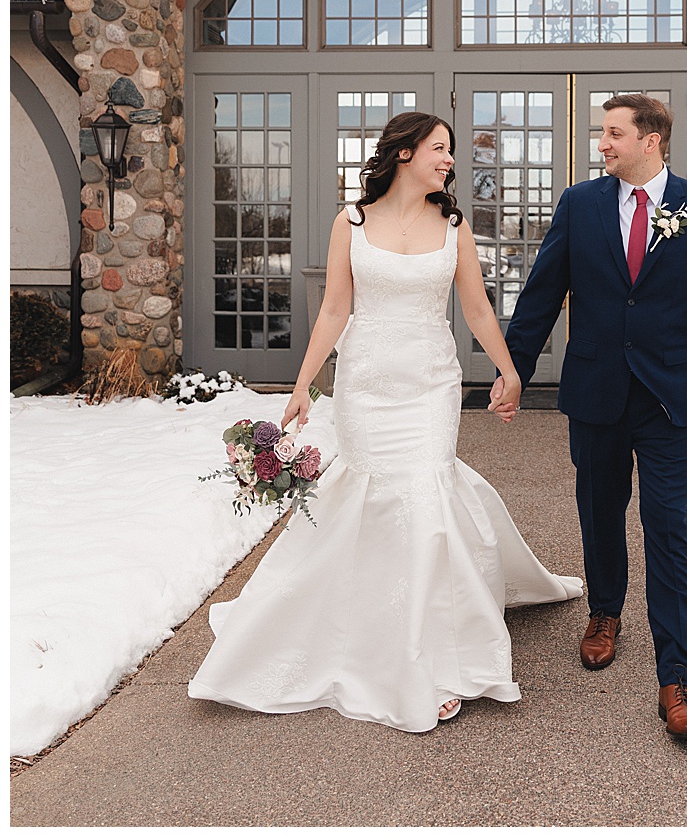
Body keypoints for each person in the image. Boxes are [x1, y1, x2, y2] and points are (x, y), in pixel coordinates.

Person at [189, 113, 581, 732]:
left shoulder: (455, 228)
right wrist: (303, 386)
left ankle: (431, 658)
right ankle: (358, 632)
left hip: (429, 384)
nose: (450, 161)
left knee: (424, 497)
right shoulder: (352, 223)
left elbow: (477, 308)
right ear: (403, 154)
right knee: (371, 496)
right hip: (366, 384)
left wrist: (509, 372)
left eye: (450, 152)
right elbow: (335, 309)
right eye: (440, 149)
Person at [496, 93, 687, 743]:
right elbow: (544, 291)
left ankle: (679, 677)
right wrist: (514, 368)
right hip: (597, 392)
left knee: (667, 522)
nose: (602, 144)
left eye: (613, 134)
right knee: (600, 509)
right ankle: (605, 611)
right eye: (601, 135)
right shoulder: (579, 205)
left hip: (670, 400)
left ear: (651, 140)